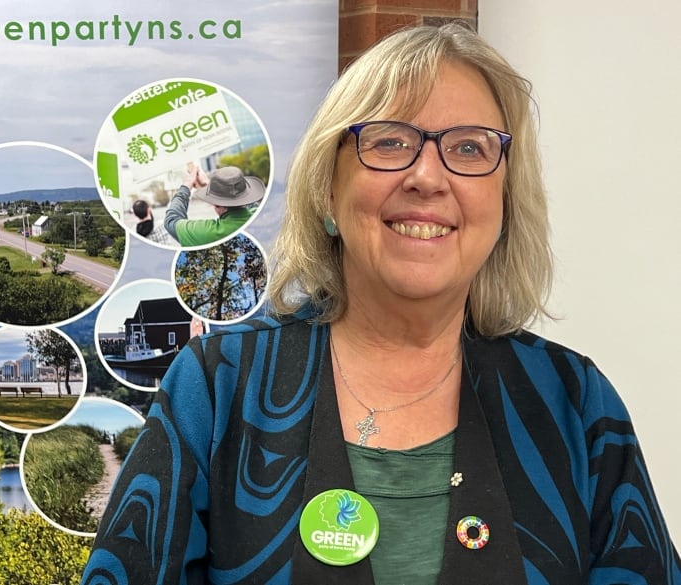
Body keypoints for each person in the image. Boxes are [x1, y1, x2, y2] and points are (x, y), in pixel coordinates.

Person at [80, 23, 680, 585]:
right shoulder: (219, 387)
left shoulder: (572, 400)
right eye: (390, 141)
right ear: (329, 191)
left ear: (504, 200)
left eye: (470, 149)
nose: (428, 176)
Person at [164, 165, 265, 247]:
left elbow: (171, 220)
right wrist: (211, 187)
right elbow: (250, 204)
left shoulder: (211, 233)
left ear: (215, 204)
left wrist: (186, 185)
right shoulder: (260, 215)